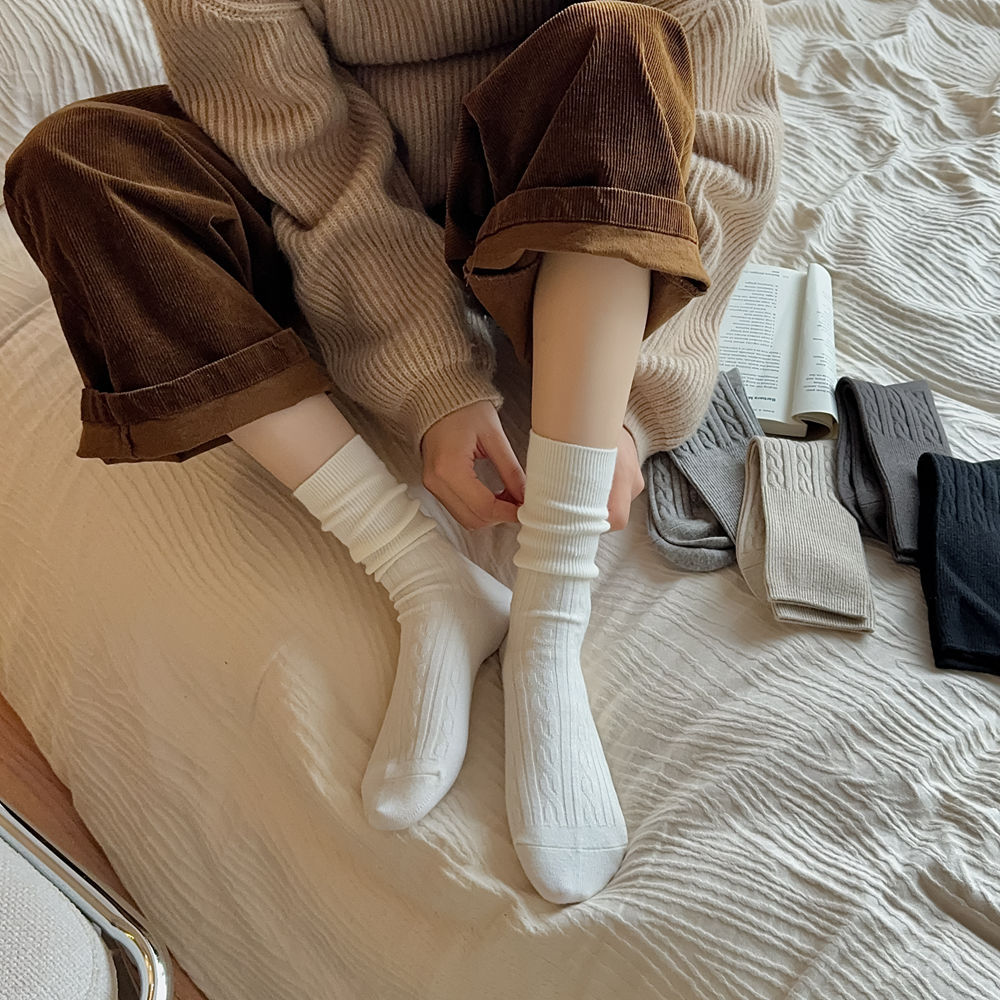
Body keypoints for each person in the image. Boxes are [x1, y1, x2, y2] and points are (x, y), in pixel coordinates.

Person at [2, 0, 781, 903]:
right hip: (332, 208)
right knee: (75, 163)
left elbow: (720, 136)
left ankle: (548, 624)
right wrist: (432, 380)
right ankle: (427, 580)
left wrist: (631, 399)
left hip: (566, 191)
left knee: (620, 45)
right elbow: (309, 158)